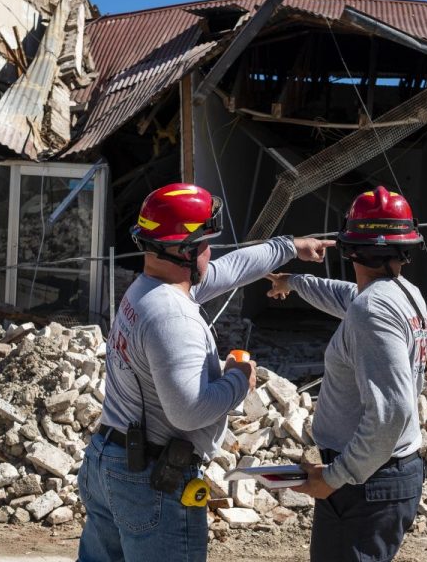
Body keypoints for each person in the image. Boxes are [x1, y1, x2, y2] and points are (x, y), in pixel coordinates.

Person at [78, 182, 333, 562]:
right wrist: (238, 380)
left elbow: (230, 269)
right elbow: (188, 411)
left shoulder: (149, 289)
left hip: (110, 460)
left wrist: (290, 247)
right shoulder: (171, 316)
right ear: (184, 250)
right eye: (205, 243)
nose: (210, 252)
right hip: (150, 478)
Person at [266, 186, 427, 562]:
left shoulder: (373, 310)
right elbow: (346, 296)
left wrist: (337, 476)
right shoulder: (404, 294)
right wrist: (293, 281)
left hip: (365, 483)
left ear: (350, 247)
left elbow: (392, 413)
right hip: (380, 476)